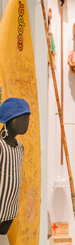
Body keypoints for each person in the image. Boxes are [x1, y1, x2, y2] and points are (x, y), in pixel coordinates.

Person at [0, 98, 30, 235]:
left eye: (27, 118)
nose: (26, 123)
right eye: (22, 118)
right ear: (9, 120)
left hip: (10, 210)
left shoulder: (20, 148)